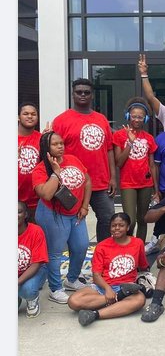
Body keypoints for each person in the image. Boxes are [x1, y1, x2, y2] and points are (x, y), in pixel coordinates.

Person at [50, 78, 118, 242]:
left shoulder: (101, 119)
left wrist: (113, 177)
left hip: (101, 182)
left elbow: (109, 149)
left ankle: (103, 252)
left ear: (92, 95)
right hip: (72, 182)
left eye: (86, 92)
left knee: (108, 219)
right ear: (73, 94)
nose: (82, 95)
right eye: (78, 92)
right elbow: (55, 151)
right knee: (70, 221)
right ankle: (71, 253)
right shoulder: (61, 121)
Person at [32, 130, 92, 304]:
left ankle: (71, 279)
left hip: (76, 213)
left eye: (61, 143)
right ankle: (55, 288)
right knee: (55, 253)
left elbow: (87, 181)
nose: (60, 147)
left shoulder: (73, 159)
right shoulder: (40, 169)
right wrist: (56, 172)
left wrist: (84, 206)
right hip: (53, 214)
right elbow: (47, 194)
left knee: (81, 246)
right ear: (46, 148)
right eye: (55, 144)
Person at [67, 212, 149, 326]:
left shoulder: (138, 243)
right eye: (113, 225)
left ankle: (94, 315)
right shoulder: (102, 246)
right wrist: (107, 289)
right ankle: (121, 296)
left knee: (139, 300)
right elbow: (96, 275)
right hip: (103, 286)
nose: (116, 228)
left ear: (128, 227)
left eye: (121, 225)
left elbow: (143, 265)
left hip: (127, 285)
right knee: (73, 301)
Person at [112, 100, 157, 241]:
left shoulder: (149, 138)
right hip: (128, 184)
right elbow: (119, 162)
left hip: (146, 183)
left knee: (143, 220)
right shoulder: (119, 135)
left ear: (146, 118)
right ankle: (129, 247)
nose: (137, 119)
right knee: (129, 221)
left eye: (140, 116)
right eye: (134, 116)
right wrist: (130, 143)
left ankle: (139, 250)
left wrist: (156, 189)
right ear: (128, 116)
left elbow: (152, 165)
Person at [18, 200, 48, 317]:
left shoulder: (35, 231)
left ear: (26, 214)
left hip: (34, 271)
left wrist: (17, 282)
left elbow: (36, 264)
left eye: (19, 212)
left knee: (28, 289)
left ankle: (32, 300)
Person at [18, 101, 42, 215]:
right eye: (25, 113)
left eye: (33, 114)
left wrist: (50, 139)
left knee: (35, 232)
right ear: (18, 117)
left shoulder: (42, 139)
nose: (30, 116)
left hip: (36, 202)